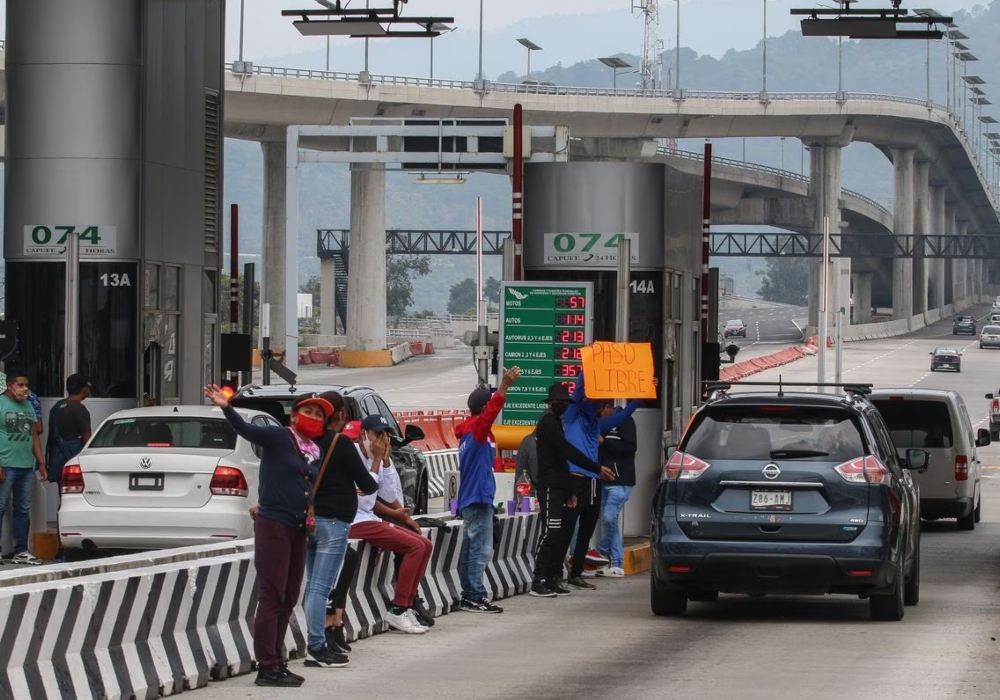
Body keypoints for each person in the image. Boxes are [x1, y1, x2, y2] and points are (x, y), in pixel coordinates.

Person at [205, 384, 333, 689]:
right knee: (272, 594)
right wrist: (226, 406)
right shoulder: (279, 437)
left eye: (319, 414)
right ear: (294, 416)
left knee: (289, 595)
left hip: (298, 527)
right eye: (309, 411)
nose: (314, 417)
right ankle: (267, 665)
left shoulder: (313, 450)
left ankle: (278, 660)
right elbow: (246, 430)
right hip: (274, 524)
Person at [301, 390, 378, 670]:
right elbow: (369, 485)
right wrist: (375, 460)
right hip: (333, 523)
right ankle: (317, 647)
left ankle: (315, 644)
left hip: (308, 521)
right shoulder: (341, 444)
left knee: (312, 587)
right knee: (321, 588)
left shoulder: (306, 442)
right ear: (342, 415)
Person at [349, 415, 433, 634]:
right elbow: (366, 499)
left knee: (425, 544)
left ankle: (407, 604)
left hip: (370, 519)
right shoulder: (354, 456)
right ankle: (398, 608)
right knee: (414, 547)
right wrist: (376, 461)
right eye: (377, 434)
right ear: (363, 434)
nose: (382, 440)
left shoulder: (378, 456)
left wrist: (385, 462)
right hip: (355, 520)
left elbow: (390, 494)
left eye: (385, 435)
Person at [530, 383, 614, 598]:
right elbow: (567, 451)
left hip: (561, 485)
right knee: (550, 532)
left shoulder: (557, 422)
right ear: (550, 403)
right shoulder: (548, 423)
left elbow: (562, 461)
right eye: (558, 402)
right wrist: (595, 467)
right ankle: (538, 579)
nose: (562, 405)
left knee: (557, 532)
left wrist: (570, 492)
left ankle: (551, 578)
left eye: (564, 403)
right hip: (549, 486)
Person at [562, 374, 644, 588]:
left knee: (587, 528)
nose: (595, 404)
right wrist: (585, 368)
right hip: (575, 479)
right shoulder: (572, 416)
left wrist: (640, 396)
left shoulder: (597, 424)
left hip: (593, 481)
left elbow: (623, 415)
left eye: (598, 402)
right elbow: (578, 392)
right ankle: (563, 568)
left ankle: (577, 571)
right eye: (593, 401)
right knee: (571, 525)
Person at [455, 367, 522, 614]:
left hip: (471, 497)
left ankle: (469, 593)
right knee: (481, 548)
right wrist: (504, 387)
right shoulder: (477, 429)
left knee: (470, 547)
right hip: (478, 496)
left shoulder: (467, 432)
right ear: (484, 408)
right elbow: (492, 412)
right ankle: (474, 595)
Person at [0, 370, 46, 565]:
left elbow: (34, 435)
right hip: (6, 465)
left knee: (23, 509)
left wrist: (41, 462)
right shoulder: (1, 403)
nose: (25, 389)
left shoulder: (28, 405)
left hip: (26, 465)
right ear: (10, 386)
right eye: (20, 385)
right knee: (0, 507)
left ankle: (21, 550)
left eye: (26, 385)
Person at [596, 401, 638, 578]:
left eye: (600, 411)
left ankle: (602, 553)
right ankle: (616, 563)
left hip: (620, 480)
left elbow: (630, 447)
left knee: (608, 517)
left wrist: (605, 442)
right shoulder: (599, 423)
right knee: (609, 521)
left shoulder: (625, 421)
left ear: (608, 407)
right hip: (603, 479)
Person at [46, 373, 92, 487]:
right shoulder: (80, 409)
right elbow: (87, 438)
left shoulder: (56, 407)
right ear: (84, 389)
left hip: (57, 459)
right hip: (73, 460)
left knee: (63, 495)